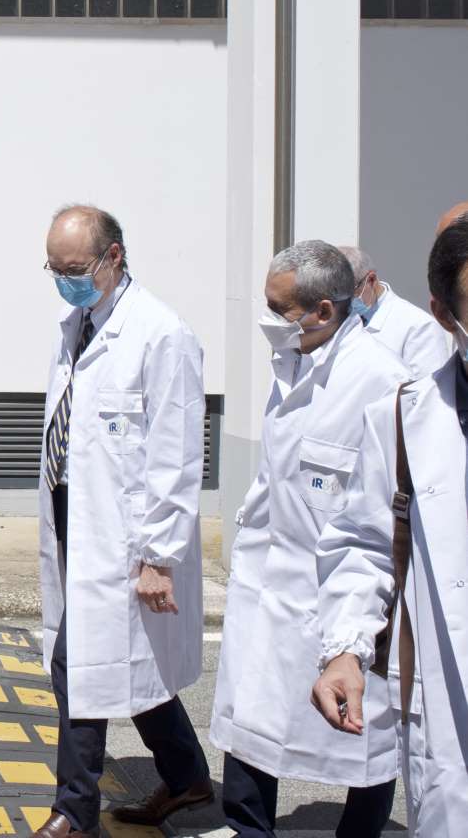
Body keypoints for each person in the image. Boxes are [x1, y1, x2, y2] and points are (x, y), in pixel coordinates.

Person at [211, 241, 407, 837]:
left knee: (364, 738)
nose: (269, 321)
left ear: (323, 310)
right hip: (266, 582)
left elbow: (383, 518)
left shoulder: (380, 380)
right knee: (250, 722)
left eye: (279, 309)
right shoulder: (294, 359)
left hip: (336, 588)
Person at [34, 206, 212, 838]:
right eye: (54, 268)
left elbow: (177, 453)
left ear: (113, 258)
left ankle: (73, 812)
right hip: (73, 517)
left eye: (74, 269)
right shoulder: (79, 323)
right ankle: (187, 776)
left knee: (76, 664)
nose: (63, 280)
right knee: (128, 666)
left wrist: (159, 554)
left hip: (122, 534)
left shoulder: (161, 334)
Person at [313, 217, 468, 835]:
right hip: (451, 708)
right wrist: (346, 649)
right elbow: (364, 545)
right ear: (442, 312)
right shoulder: (404, 421)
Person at [341, 245, 454, 377]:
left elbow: (429, 390)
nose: (343, 302)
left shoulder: (420, 327)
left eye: (349, 292)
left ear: (370, 280)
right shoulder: (339, 319)